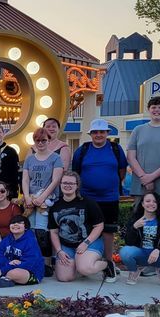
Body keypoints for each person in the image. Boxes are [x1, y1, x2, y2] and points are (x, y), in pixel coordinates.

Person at [71, 118, 127, 283]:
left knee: (108, 231)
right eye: (95, 132)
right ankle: (88, 260)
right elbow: (76, 172)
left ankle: (108, 262)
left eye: (102, 132)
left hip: (109, 197)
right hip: (87, 197)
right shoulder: (83, 150)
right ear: (91, 134)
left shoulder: (115, 149)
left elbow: (122, 171)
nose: (99, 135)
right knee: (87, 230)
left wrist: (110, 184)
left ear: (107, 133)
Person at [48, 171, 109, 282]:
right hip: (67, 245)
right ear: (60, 184)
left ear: (77, 186)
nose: (68, 185)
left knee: (85, 268)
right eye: (65, 182)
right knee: (64, 278)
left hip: (89, 242)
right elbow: (54, 232)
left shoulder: (88, 203)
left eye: (71, 183)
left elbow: (99, 226)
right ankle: (78, 263)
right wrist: (59, 251)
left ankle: (107, 264)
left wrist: (86, 243)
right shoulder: (55, 207)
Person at [21, 128, 64, 273]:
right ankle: (33, 259)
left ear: (49, 140)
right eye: (37, 140)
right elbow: (25, 179)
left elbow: (56, 180)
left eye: (43, 140)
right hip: (31, 200)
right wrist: (27, 196)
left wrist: (42, 197)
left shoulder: (55, 158)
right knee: (31, 230)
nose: (40, 143)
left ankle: (46, 263)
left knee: (43, 230)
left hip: (47, 200)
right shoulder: (29, 159)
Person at [120, 191, 160, 286]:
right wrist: (134, 227)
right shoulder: (136, 218)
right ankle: (134, 271)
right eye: (148, 201)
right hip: (141, 253)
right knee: (125, 252)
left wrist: (158, 250)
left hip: (158, 255)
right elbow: (128, 242)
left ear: (158, 204)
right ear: (143, 204)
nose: (151, 204)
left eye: (154, 201)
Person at [0, 214, 45, 288]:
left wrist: (6, 268)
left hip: (29, 271)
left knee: (14, 273)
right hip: (8, 266)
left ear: (26, 227)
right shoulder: (8, 238)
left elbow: (30, 264)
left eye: (20, 223)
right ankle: (1, 278)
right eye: (13, 223)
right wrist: (8, 264)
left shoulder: (30, 241)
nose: (15, 225)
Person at [0, 180, 22, 249]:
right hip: (1, 242)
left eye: (2, 191)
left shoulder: (14, 208)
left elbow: (18, 230)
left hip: (16, 241)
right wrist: (1, 245)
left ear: (7, 192)